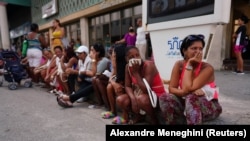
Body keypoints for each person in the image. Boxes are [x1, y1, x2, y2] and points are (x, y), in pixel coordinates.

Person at [159, 34, 222, 125]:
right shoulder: (179, 65)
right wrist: (185, 92)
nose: (198, 52)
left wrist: (189, 64)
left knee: (191, 97)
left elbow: (188, 88)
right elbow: (171, 89)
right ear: (184, 51)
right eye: (194, 48)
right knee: (165, 97)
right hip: (187, 103)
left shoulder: (207, 68)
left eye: (200, 49)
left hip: (209, 106)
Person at [112, 46, 166, 125]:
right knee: (120, 100)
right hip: (139, 94)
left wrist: (136, 73)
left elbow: (146, 89)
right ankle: (138, 115)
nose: (135, 58)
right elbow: (127, 86)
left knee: (141, 99)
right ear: (127, 59)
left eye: (137, 55)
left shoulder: (148, 66)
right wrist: (133, 99)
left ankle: (153, 118)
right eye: (131, 57)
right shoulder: (128, 67)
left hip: (155, 95)